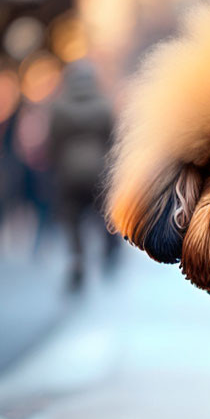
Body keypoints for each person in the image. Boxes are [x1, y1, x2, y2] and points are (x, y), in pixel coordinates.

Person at [48, 60, 118, 291]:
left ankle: (78, 259)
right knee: (103, 215)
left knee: (72, 219)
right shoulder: (103, 106)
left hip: (69, 173)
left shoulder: (59, 108)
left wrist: (57, 166)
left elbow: (53, 142)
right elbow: (113, 140)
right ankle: (109, 248)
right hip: (98, 172)